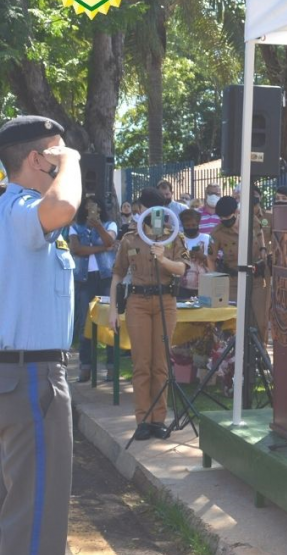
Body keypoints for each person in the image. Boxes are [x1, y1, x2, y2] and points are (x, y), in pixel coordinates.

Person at [0, 115, 81, 555]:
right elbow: (63, 207)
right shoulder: (22, 211)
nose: (64, 158)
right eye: (56, 152)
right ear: (37, 159)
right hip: (31, 379)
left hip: (14, 377)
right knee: (35, 520)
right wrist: (72, 161)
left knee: (12, 511)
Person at [109, 187, 189, 441]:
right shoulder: (130, 239)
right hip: (138, 302)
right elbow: (118, 273)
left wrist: (163, 259)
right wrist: (112, 307)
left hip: (165, 301)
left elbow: (182, 269)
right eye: (142, 208)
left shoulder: (173, 236)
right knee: (141, 362)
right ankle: (143, 419)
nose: (144, 213)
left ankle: (158, 420)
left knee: (161, 364)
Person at [207, 196, 271, 341]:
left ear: (236, 212)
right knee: (235, 320)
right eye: (221, 218)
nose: (225, 221)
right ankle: (235, 357)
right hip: (234, 280)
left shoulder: (251, 220)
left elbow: (260, 233)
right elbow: (210, 259)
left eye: (227, 217)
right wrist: (215, 281)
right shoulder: (217, 233)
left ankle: (260, 356)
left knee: (260, 319)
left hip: (257, 278)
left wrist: (262, 248)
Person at [70, 193, 118, 381]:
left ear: (100, 208)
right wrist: (102, 249)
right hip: (84, 279)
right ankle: (85, 366)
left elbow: (110, 241)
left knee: (110, 322)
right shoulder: (76, 226)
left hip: (105, 278)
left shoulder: (110, 224)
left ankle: (112, 367)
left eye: (94, 206)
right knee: (85, 323)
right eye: (87, 206)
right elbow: (77, 249)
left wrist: (98, 226)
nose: (91, 209)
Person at [177, 209, 210, 298]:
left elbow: (212, 263)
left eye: (193, 225)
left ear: (198, 224)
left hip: (204, 285)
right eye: (187, 225)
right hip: (182, 286)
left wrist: (201, 256)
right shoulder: (178, 239)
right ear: (183, 225)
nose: (191, 228)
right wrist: (187, 255)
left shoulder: (206, 238)